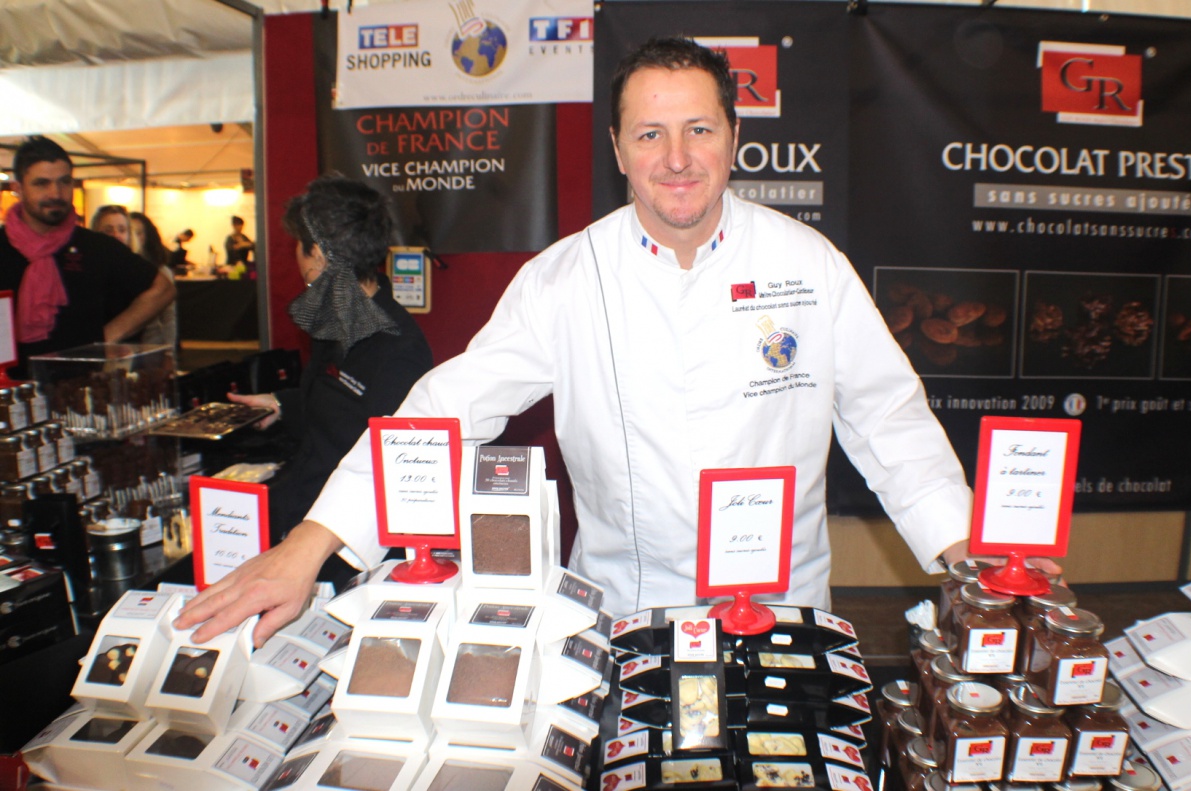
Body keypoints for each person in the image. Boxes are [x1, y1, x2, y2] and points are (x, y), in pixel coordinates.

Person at [178, 38, 1052, 647]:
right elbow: (444, 408)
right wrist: (311, 543)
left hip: (781, 607)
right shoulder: (566, 277)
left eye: (699, 129)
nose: (676, 157)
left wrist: (968, 557)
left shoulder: (808, 265)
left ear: (734, 137)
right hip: (627, 612)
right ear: (618, 149)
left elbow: (889, 420)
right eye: (649, 133)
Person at [223, 175, 434, 585]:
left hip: (344, 549)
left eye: (299, 247)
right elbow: (332, 404)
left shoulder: (398, 353)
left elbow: (392, 481)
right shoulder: (334, 318)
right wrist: (282, 403)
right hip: (300, 512)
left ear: (317, 256)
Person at [0, 136, 176, 368]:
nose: (56, 193)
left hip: (82, 382)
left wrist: (106, 337)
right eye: (42, 183)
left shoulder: (95, 246)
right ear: (18, 189)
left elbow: (162, 289)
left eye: (64, 182)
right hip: (10, 384)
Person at [130, 212, 178, 346]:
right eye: (131, 232)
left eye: (139, 233)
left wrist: (169, 349)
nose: (134, 238)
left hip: (152, 343)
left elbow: (168, 317)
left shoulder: (160, 271)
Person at [220, 215, 254, 279]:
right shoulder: (230, 238)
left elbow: (253, 246)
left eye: (241, 225)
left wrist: (245, 244)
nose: (240, 227)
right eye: (238, 225)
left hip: (244, 267)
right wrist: (239, 246)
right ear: (233, 226)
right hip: (232, 267)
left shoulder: (244, 237)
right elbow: (231, 250)